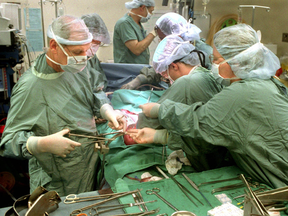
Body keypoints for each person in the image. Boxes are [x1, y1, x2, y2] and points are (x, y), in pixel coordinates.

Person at [130, 24, 288, 189]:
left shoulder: (242, 94)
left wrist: (158, 110)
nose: (214, 65)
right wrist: (159, 136)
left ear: (238, 62)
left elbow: (198, 120)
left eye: (218, 60)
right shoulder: (263, 82)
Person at [0, 15, 126, 196]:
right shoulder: (30, 87)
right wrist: (40, 144)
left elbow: (93, 91)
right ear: (54, 46)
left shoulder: (78, 65)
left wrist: (106, 110)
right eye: (77, 52)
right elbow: (7, 142)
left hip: (87, 162)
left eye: (87, 50)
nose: (84, 57)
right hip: (58, 179)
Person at [129, 34, 227, 172]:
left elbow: (151, 123)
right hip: (221, 154)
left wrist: (133, 120)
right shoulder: (205, 73)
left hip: (209, 161)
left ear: (174, 66)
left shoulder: (187, 82)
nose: (165, 77)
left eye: (165, 73)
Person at [121, 12, 213, 90]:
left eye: (162, 38)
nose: (162, 43)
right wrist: (140, 79)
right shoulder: (175, 48)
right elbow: (162, 67)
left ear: (176, 33)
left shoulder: (204, 54)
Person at [113, 0, 156, 64]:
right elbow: (136, 50)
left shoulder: (137, 24)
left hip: (137, 69)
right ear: (142, 8)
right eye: (150, 11)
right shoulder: (124, 23)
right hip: (127, 71)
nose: (151, 14)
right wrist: (153, 33)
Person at [81, 13, 111, 92]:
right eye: (93, 41)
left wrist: (100, 90)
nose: (95, 47)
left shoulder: (92, 57)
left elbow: (101, 79)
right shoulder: (76, 58)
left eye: (98, 43)